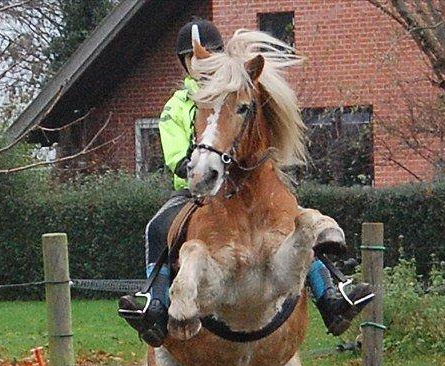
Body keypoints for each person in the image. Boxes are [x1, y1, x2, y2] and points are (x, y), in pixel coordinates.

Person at [119, 19, 373, 346]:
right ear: (184, 62)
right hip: (195, 185)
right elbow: (173, 149)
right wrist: (190, 166)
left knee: (292, 225)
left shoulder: (234, 91)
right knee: (158, 227)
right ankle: (154, 303)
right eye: (192, 59)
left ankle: (332, 294)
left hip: (244, 185)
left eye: (208, 56)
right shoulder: (177, 104)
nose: (200, 64)